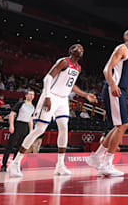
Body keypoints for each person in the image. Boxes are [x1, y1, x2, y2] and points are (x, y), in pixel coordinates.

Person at [8, 44, 97, 177]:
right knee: (39, 130)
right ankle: (15, 163)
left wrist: (85, 95)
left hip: (63, 99)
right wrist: (47, 96)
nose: (80, 49)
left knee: (64, 128)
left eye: (82, 49)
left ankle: (60, 165)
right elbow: (48, 78)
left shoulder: (78, 68)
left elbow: (71, 86)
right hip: (51, 96)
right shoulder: (63, 61)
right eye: (77, 47)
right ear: (71, 50)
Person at [85, 30, 128, 177]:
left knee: (118, 126)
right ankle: (106, 164)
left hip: (121, 89)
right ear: (127, 37)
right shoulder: (122, 48)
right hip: (113, 89)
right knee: (122, 125)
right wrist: (112, 84)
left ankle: (96, 157)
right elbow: (106, 69)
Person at [0, 90, 35, 172]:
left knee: (20, 147)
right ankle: (4, 165)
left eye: (33, 94)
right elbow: (12, 114)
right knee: (10, 146)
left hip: (25, 127)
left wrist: (31, 130)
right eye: (30, 94)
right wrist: (11, 125)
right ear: (26, 95)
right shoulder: (21, 103)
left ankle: (15, 164)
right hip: (17, 125)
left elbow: (30, 119)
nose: (32, 96)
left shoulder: (33, 107)